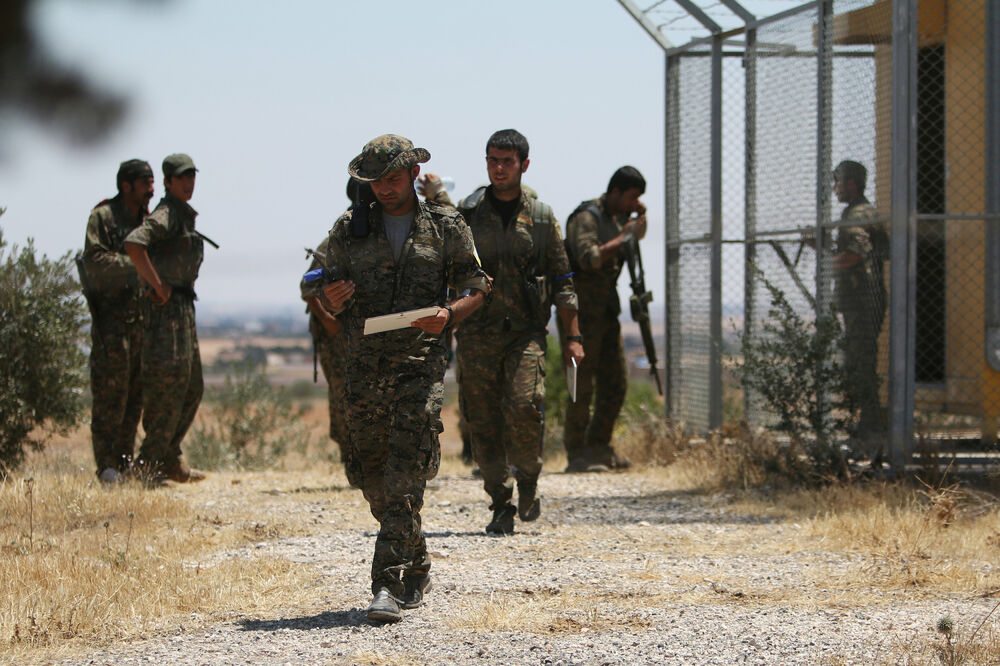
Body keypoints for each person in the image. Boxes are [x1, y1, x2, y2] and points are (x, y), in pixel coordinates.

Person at [303, 134, 488, 623]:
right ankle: (419, 562)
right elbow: (323, 288)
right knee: (374, 480)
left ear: (411, 173)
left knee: (405, 472)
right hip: (364, 363)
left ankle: (386, 583)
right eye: (374, 181)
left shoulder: (446, 224)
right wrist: (334, 298)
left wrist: (449, 314)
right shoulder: (349, 228)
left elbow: (476, 286)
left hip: (420, 361)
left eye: (391, 178)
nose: (383, 189)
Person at [452, 129, 584, 536]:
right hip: (476, 333)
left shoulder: (542, 217)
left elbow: (563, 278)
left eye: (507, 161)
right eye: (492, 160)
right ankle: (499, 502)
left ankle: (528, 481)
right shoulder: (468, 214)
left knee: (526, 406)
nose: (499, 168)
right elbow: (450, 271)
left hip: (526, 330)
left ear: (524, 165)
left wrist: (574, 336)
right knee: (483, 421)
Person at [124, 153, 208, 485]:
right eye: (181, 177)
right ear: (168, 182)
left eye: (192, 177)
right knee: (168, 388)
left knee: (191, 387)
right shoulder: (166, 214)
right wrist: (156, 285)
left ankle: (169, 459)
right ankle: (148, 466)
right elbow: (134, 243)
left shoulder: (182, 216)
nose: (188, 183)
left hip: (183, 308)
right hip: (164, 312)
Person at [562, 166, 649, 473]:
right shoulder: (587, 218)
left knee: (616, 383)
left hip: (607, 311)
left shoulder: (619, 219)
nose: (633, 203)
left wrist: (637, 218)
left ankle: (600, 446)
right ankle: (577, 453)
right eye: (631, 197)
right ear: (615, 192)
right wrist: (624, 237)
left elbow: (634, 237)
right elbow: (588, 259)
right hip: (581, 313)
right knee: (581, 385)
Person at [80, 159, 155, 484]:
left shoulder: (147, 219)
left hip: (142, 321)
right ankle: (106, 466)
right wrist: (136, 265)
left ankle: (124, 464)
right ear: (127, 185)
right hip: (112, 323)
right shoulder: (104, 217)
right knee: (111, 395)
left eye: (153, 182)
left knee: (135, 396)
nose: (151, 189)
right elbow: (94, 259)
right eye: (145, 183)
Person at [302, 179, 371, 479]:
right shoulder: (342, 232)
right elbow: (307, 284)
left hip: (365, 331)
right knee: (344, 397)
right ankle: (351, 461)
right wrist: (327, 319)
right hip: (338, 335)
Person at [831, 160, 888, 457]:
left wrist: (828, 264)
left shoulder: (858, 213)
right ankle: (867, 425)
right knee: (857, 363)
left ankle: (872, 431)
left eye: (838, 182)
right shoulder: (859, 212)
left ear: (851, 183)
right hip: (861, 300)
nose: (835, 188)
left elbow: (856, 253)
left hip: (863, 301)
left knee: (862, 364)